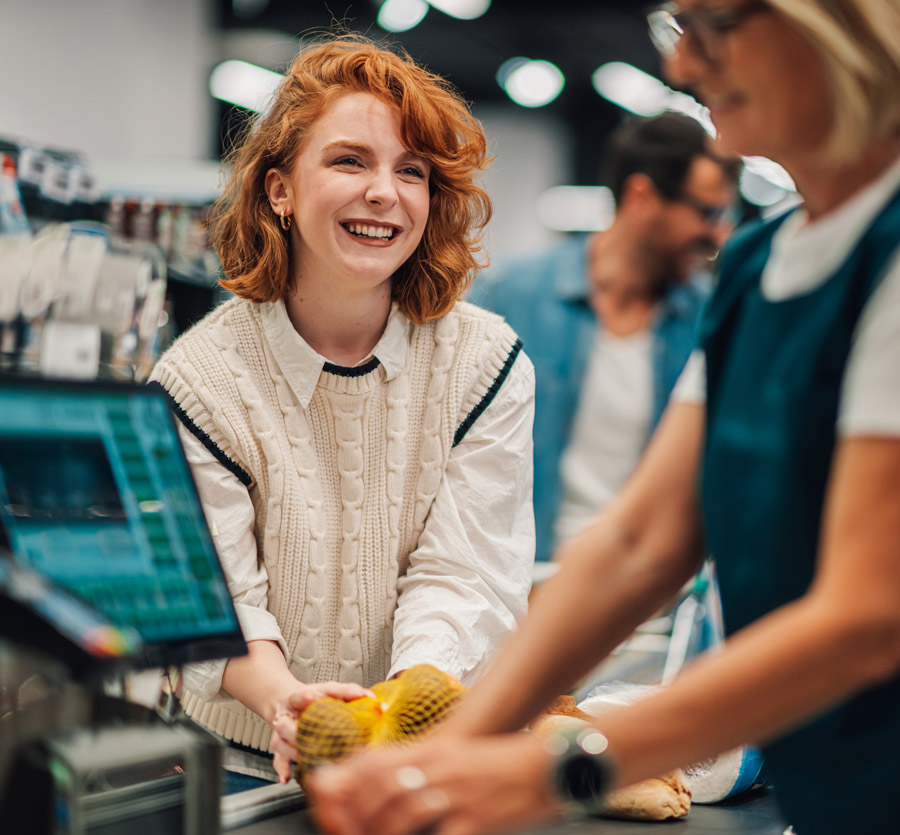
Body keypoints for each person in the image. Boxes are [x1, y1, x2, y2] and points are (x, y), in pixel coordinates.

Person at [302, 2, 900, 833]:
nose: (686, 66)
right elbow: (641, 542)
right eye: (675, 27)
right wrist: (442, 757)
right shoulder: (757, 268)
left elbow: (869, 618)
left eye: (716, 24)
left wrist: (562, 766)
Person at [149, 34, 535, 793]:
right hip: (237, 765)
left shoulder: (484, 363)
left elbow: (465, 572)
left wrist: (400, 706)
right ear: (278, 189)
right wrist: (283, 699)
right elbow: (216, 600)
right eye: (349, 160)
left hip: (416, 758)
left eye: (412, 171)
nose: (385, 192)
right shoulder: (196, 382)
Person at [470, 111, 739, 568]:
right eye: (707, 213)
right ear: (641, 197)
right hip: (521, 579)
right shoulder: (510, 297)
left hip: (641, 591)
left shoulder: (710, 320)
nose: (718, 235)